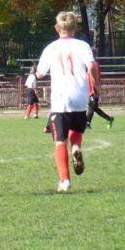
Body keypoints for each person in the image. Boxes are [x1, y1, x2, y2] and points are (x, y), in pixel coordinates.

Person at [36, 12, 99, 193]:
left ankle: (65, 181)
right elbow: (92, 66)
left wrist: (35, 74)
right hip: (80, 97)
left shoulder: (51, 48)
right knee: (76, 130)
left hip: (60, 99)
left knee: (60, 142)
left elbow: (40, 73)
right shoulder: (83, 45)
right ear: (75, 28)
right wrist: (96, 85)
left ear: (57, 28)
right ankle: (76, 148)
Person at [86, 51, 114, 129]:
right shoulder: (90, 65)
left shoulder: (95, 65)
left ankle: (87, 124)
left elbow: (95, 78)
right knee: (93, 107)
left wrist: (96, 88)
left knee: (91, 107)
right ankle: (109, 119)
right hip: (90, 89)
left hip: (94, 89)